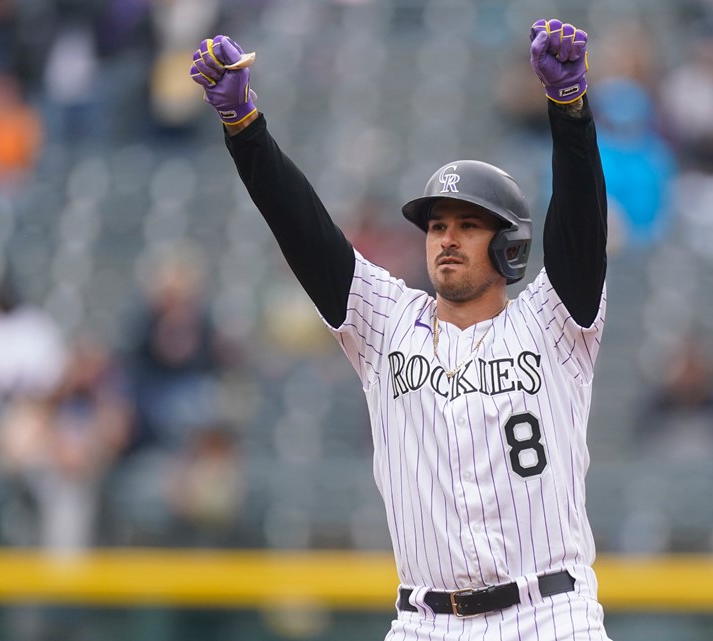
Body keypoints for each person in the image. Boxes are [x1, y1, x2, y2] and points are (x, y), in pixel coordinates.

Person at [191, 18, 610, 640]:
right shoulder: (387, 324)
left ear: (510, 247)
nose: (446, 239)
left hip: (549, 614)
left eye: (469, 225)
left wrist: (569, 111)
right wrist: (243, 127)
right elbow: (303, 229)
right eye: (438, 226)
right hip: (425, 622)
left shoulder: (553, 324)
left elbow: (579, 226)